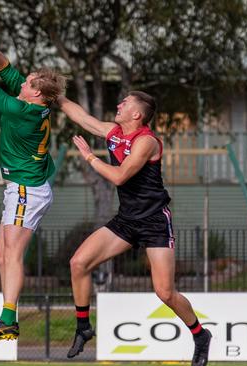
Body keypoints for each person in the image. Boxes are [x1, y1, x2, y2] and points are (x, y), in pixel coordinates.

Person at [58, 91, 212, 365]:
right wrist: (56, 97)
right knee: (78, 263)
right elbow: (83, 118)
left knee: (164, 292)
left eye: (125, 103)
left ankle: (200, 335)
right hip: (127, 220)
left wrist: (90, 157)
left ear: (137, 115)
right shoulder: (114, 132)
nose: (118, 105)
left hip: (154, 221)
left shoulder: (147, 142)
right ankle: (83, 327)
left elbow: (119, 176)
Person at [0, 21, 66, 342]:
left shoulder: (22, 111)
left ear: (35, 93)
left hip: (25, 190)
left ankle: (8, 320)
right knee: (2, 256)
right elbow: (6, 71)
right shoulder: (35, 103)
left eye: (28, 80)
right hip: (23, 188)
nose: (23, 79)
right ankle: (7, 317)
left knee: (13, 255)